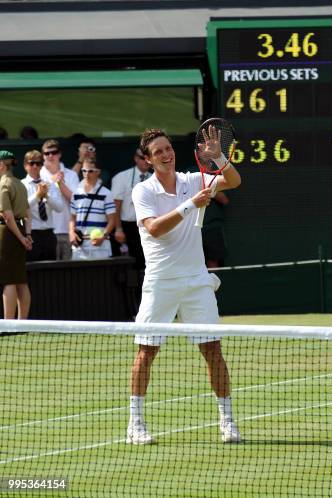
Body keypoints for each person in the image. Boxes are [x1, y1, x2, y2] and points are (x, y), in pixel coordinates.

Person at [127, 127, 241, 445]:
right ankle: (135, 424)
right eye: (158, 151)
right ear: (148, 160)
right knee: (146, 352)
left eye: (168, 148)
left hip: (196, 283)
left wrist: (217, 156)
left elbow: (233, 181)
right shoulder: (143, 192)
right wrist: (191, 205)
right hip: (160, 282)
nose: (166, 154)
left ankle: (227, 421)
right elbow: (155, 229)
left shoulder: (193, 179)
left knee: (213, 350)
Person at [0, 150, 32, 319]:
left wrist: (21, 238)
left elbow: (7, 215)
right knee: (20, 279)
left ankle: (8, 324)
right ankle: (22, 323)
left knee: (9, 279)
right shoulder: (20, 184)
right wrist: (27, 235)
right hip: (19, 232)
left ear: (1, 165)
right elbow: (27, 213)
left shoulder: (3, 184)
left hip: (7, 234)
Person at [110, 148, 151, 270]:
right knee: (128, 265)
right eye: (142, 158)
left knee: (146, 263)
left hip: (148, 225)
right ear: (135, 158)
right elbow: (116, 205)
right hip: (127, 226)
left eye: (148, 158)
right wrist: (118, 229)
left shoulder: (154, 177)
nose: (146, 161)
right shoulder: (122, 177)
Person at [40, 139, 80, 260]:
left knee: (69, 271)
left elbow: (76, 201)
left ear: (60, 154)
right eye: (47, 153)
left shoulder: (71, 174)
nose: (51, 156)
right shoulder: (39, 175)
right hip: (47, 231)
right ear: (43, 156)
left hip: (68, 230)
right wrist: (52, 181)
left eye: (54, 152)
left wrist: (60, 184)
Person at [69, 158, 115, 260]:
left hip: (100, 247)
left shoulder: (106, 193)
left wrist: (103, 236)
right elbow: (72, 218)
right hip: (79, 248)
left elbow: (112, 221)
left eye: (90, 171)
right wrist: (71, 233)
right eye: (84, 171)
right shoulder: (75, 193)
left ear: (98, 172)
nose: (86, 174)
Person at [21, 150, 63, 261]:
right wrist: (37, 196)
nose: (35, 166)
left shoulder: (50, 184)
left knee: (50, 272)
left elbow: (60, 208)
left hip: (49, 234)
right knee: (32, 271)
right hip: (30, 234)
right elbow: (21, 208)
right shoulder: (21, 185)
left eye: (38, 163)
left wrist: (47, 197)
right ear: (25, 165)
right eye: (31, 163)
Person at [202, 191, 230, 268]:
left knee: (213, 260)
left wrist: (208, 187)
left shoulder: (217, 180)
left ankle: (214, 280)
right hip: (190, 228)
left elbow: (224, 199)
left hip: (212, 228)